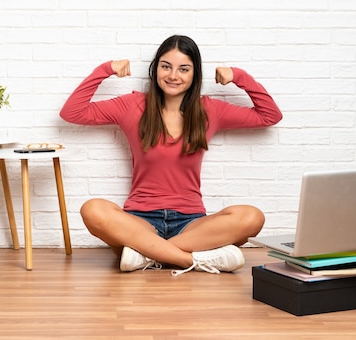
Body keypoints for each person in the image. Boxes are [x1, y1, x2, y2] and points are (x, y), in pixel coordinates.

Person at [60, 35, 282, 276]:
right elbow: (72, 112)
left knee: (251, 217)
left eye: (183, 69)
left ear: (195, 74)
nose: (173, 75)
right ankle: (192, 260)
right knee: (93, 209)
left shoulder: (209, 110)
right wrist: (105, 70)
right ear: (156, 69)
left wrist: (239, 77)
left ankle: (146, 255)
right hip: (139, 222)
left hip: (191, 225)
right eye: (166, 66)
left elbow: (269, 116)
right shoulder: (132, 106)